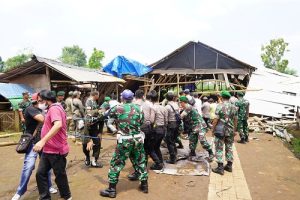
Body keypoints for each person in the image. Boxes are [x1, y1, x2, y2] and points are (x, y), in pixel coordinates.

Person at [100, 89, 148, 198]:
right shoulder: (139, 108)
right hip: (138, 139)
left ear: (122, 98)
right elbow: (141, 122)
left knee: (116, 163)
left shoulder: (118, 108)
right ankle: (144, 185)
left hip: (125, 140)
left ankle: (111, 190)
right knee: (140, 160)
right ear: (132, 98)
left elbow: (105, 115)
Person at [12, 93, 57, 200]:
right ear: (37, 101)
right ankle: (20, 192)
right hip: (32, 143)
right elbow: (44, 120)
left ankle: (49, 186)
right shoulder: (30, 109)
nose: (44, 102)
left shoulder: (46, 110)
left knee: (45, 167)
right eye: (42, 100)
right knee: (29, 166)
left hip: (43, 141)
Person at [34, 90, 72, 200]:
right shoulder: (53, 108)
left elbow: (58, 124)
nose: (39, 103)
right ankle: (45, 197)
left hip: (56, 150)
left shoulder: (54, 108)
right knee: (40, 174)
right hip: (48, 150)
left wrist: (42, 141)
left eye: (40, 100)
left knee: (59, 175)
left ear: (46, 100)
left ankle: (67, 196)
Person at [211, 90, 238, 175]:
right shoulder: (234, 107)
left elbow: (215, 120)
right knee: (229, 147)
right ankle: (229, 166)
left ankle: (220, 167)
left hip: (220, 130)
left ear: (221, 97)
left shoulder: (219, 106)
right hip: (230, 130)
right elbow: (235, 120)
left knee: (219, 148)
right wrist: (234, 130)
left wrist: (213, 130)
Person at [179, 96, 214, 161]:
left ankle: (211, 153)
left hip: (200, 126)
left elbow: (181, 116)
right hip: (193, 127)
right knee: (192, 140)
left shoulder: (188, 107)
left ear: (183, 102)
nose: (180, 104)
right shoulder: (186, 108)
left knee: (202, 141)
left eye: (180, 102)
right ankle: (192, 153)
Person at [83, 91, 103, 167]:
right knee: (85, 143)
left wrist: (100, 132)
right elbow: (89, 113)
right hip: (87, 125)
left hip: (94, 125)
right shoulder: (89, 101)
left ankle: (94, 160)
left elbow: (101, 120)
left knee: (97, 142)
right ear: (95, 95)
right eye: (98, 95)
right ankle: (87, 157)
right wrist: (97, 111)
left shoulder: (94, 102)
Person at [149, 91, 168, 170]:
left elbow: (152, 120)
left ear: (150, 99)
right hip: (163, 129)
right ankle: (161, 161)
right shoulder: (164, 108)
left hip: (156, 130)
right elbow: (166, 121)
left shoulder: (153, 108)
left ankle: (158, 164)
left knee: (150, 148)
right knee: (157, 147)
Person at [165, 91, 180, 164]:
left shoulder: (167, 106)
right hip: (176, 124)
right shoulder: (176, 104)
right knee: (173, 139)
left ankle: (172, 158)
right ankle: (175, 153)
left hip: (170, 125)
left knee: (169, 141)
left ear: (166, 98)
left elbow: (166, 118)